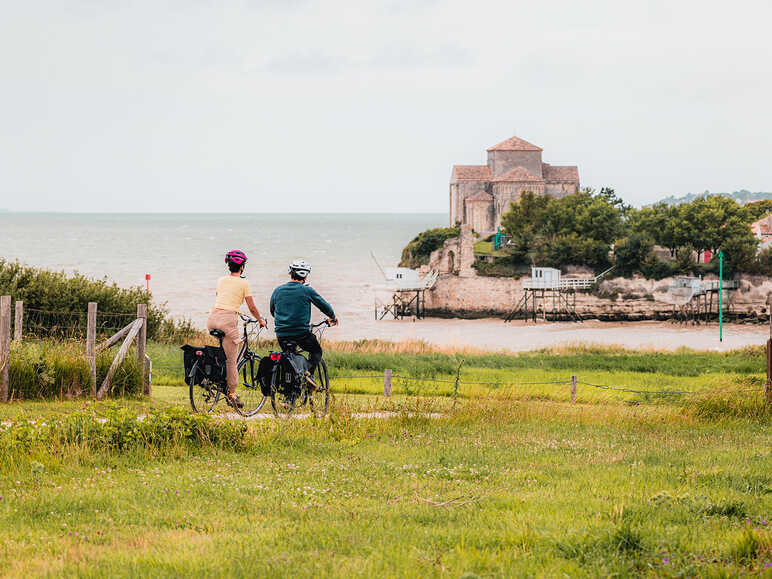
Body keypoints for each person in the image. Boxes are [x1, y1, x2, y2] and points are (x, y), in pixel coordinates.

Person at [207, 250, 267, 408]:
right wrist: (260, 320)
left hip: (213, 318)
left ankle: (217, 378)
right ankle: (232, 394)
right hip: (228, 320)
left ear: (228, 265)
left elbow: (222, 296)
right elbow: (252, 307)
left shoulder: (221, 280)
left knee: (223, 353)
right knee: (232, 361)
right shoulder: (244, 283)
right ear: (242, 267)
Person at [270, 260, 337, 384]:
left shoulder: (277, 290)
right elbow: (324, 306)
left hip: (281, 334)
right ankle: (308, 375)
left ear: (290, 273)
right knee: (316, 351)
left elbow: (272, 310)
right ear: (305, 276)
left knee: (289, 359)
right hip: (301, 333)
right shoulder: (307, 291)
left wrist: (284, 321)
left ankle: (289, 395)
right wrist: (332, 316)